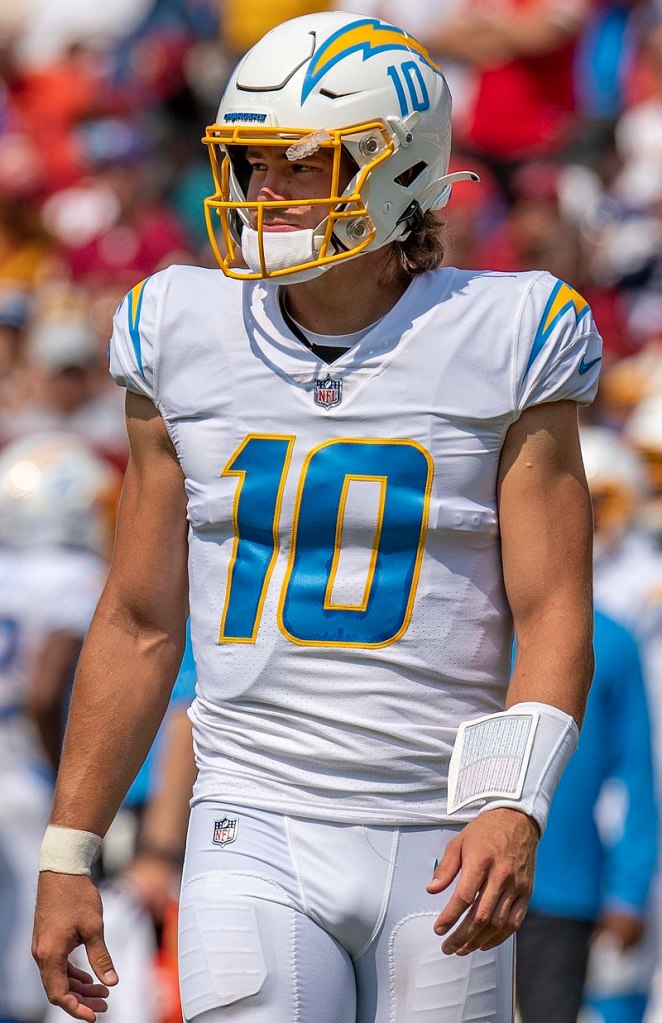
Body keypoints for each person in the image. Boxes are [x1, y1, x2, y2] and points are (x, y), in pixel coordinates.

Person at [32, 11, 600, 1023]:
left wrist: (513, 802)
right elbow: (141, 618)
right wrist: (70, 849)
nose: (266, 190)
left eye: (303, 162)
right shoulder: (178, 328)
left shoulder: (508, 331)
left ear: (397, 168)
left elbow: (553, 608)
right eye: (254, 162)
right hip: (249, 814)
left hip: (439, 824)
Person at [0, 432, 116, 1023]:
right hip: (26, 776)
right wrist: (58, 770)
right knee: (30, 963)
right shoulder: (74, 576)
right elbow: (45, 694)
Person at [515, 609, 658, 1023]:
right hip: (461, 880)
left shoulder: (611, 640)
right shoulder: (472, 623)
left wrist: (628, 894)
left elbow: (634, 776)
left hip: (561, 894)